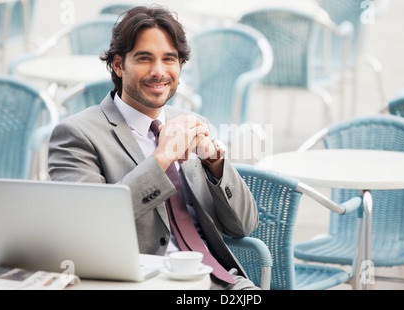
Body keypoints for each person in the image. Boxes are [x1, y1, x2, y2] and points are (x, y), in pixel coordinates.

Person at [47, 5, 259, 290]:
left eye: (169, 59)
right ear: (119, 65)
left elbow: (243, 225)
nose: (159, 72)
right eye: (145, 59)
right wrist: (160, 159)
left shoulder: (194, 125)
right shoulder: (76, 134)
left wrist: (216, 162)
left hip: (219, 282)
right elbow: (83, 228)